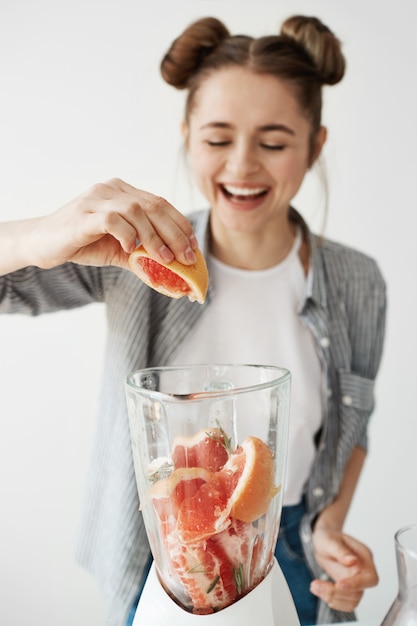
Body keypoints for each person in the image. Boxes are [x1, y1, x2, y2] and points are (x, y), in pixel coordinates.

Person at [0, 13, 386, 626]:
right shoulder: (136, 256)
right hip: (157, 549)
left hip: (287, 550)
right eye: (216, 139)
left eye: (275, 141)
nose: (242, 165)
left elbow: (350, 429)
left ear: (316, 145)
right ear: (186, 135)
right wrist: (45, 234)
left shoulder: (358, 283)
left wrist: (330, 531)